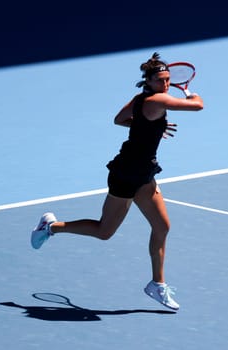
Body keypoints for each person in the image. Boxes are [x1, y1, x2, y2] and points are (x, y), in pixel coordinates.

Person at [31, 52, 203, 310]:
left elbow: (120, 120)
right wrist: (192, 94)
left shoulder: (140, 99)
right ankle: (51, 227)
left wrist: (149, 127)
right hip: (125, 174)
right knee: (104, 232)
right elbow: (198, 105)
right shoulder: (159, 99)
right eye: (160, 80)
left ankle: (157, 284)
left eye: (168, 80)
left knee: (162, 227)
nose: (166, 84)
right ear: (149, 81)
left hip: (144, 174)